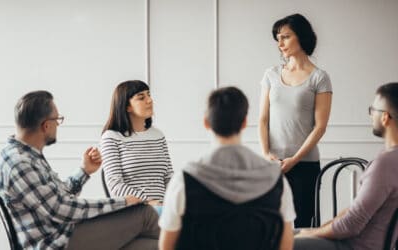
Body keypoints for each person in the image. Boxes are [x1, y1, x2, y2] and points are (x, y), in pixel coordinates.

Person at [0, 90, 159, 250]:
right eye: (57, 119)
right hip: (56, 243)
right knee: (145, 214)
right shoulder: (19, 164)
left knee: (151, 245)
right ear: (46, 125)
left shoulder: (25, 154)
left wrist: (84, 171)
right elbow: (60, 209)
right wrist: (124, 201)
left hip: (63, 234)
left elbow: (57, 198)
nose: (58, 125)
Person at [159, 86, 296, 250]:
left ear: (206, 122)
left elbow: (166, 246)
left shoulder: (184, 180)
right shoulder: (276, 180)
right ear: (244, 123)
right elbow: (286, 244)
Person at [293, 82, 398, 250]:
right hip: (353, 242)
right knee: (282, 234)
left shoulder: (386, 164)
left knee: (278, 242)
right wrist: (316, 230)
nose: (371, 115)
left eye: (373, 110)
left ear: (385, 117)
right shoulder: (392, 160)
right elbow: (355, 210)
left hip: (353, 246)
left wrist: (312, 233)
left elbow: (351, 225)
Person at [258, 13, 333, 227]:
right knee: (271, 225)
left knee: (302, 227)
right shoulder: (270, 74)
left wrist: (295, 159)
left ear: (301, 36)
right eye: (278, 38)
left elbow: (320, 126)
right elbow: (263, 119)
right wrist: (266, 154)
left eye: (286, 37)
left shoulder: (320, 77)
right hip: (273, 164)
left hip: (305, 165)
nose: (279, 43)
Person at [101, 80, 173, 213]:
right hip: (133, 210)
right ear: (127, 106)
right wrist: (148, 202)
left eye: (149, 95)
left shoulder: (158, 135)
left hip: (162, 208)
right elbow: (115, 185)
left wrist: (171, 202)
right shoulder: (111, 137)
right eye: (141, 97)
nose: (149, 100)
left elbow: (169, 177)